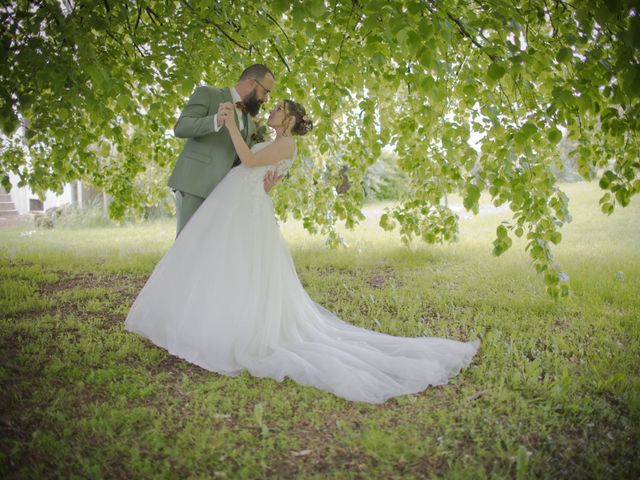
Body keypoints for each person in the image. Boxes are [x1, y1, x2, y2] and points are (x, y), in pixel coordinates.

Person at [125, 99, 480, 404]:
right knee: (223, 267)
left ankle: (234, 331)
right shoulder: (273, 140)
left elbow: (249, 161)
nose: (274, 110)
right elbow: (253, 167)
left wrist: (231, 124)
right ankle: (208, 323)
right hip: (237, 205)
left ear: (291, 120)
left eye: (279, 109)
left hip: (244, 210)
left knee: (238, 268)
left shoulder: (288, 144)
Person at [168, 64, 281, 236]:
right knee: (186, 250)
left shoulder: (250, 122)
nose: (266, 99)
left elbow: (245, 159)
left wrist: (263, 183)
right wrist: (215, 120)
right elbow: (181, 127)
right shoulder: (208, 94)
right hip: (195, 186)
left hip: (224, 196)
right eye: (265, 92)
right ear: (251, 82)